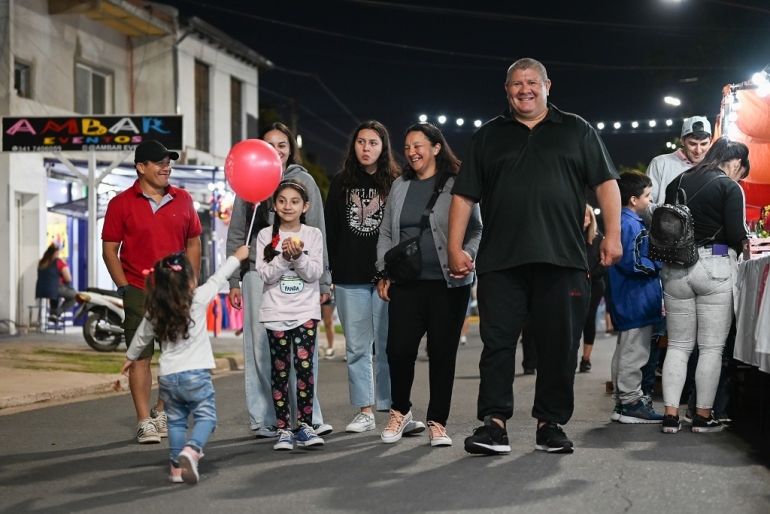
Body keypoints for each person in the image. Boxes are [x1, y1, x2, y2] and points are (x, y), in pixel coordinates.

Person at [448, 58, 622, 455]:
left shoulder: (576, 129)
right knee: (497, 345)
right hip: (501, 262)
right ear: (506, 90)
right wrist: (455, 247)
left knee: (560, 345)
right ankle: (493, 424)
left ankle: (551, 423)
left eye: (531, 82)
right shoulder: (488, 136)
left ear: (547, 85)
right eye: (515, 84)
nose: (524, 89)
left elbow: (605, 183)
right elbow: (464, 195)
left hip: (562, 259)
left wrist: (612, 235)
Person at [376, 122, 482, 447]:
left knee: (442, 353)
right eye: (407, 147)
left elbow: (476, 229)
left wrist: (467, 254)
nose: (411, 152)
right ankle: (400, 411)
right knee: (398, 350)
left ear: (436, 148)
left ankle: (438, 421)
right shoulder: (399, 186)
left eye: (418, 145)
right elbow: (384, 233)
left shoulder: (457, 184)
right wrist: (383, 271)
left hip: (449, 285)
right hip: (407, 283)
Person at [225, 122, 332, 438]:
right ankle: (265, 418)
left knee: (303, 351)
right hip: (260, 273)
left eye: (282, 144)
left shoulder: (304, 181)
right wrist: (234, 279)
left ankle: (309, 419)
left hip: (302, 273)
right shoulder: (250, 180)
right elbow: (237, 232)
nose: (276, 149)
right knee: (261, 350)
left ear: (290, 148)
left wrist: (324, 281)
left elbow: (318, 233)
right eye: (269, 144)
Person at [121, 245, 250, 484]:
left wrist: (130, 357)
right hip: (196, 375)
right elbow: (219, 276)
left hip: (168, 377)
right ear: (190, 281)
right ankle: (192, 451)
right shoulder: (198, 298)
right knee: (206, 418)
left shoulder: (155, 309)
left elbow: (141, 335)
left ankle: (176, 469)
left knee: (177, 422)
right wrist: (238, 256)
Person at [103, 140, 202, 444]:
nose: (166, 167)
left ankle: (161, 410)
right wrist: (124, 287)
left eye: (168, 162)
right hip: (137, 289)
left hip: (173, 291)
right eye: (159, 163)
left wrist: (191, 280)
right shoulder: (121, 203)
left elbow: (194, 242)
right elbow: (110, 249)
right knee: (141, 357)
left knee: (173, 357)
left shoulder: (183, 199)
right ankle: (144, 420)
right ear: (141, 167)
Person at [660, 137, 749, 434]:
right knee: (710, 347)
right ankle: (702, 416)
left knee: (678, 345)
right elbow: (737, 234)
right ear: (736, 161)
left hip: (675, 268)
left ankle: (670, 416)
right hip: (714, 264)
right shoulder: (728, 186)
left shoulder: (677, 181)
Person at [324, 120, 400, 433]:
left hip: (386, 279)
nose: (366, 148)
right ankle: (365, 410)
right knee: (356, 348)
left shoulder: (397, 182)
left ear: (383, 148)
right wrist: (328, 273)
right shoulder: (340, 182)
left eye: (373, 142)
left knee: (388, 347)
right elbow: (330, 232)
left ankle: (395, 409)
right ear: (353, 146)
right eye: (361, 142)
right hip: (349, 278)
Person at [255, 180, 326, 450]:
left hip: (305, 312)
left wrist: (298, 257)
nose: (288, 206)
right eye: (282, 200)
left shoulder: (313, 234)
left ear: (305, 206)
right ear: (274, 205)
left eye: (295, 201)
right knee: (281, 370)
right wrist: (284, 257)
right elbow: (266, 275)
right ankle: (284, 429)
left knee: (305, 369)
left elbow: (313, 274)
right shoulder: (265, 236)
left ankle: (305, 427)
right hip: (275, 313)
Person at [606, 172, 664, 424]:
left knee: (626, 349)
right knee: (635, 351)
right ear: (633, 199)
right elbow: (635, 262)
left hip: (628, 297)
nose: (650, 201)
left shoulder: (621, 222)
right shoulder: (631, 224)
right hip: (635, 298)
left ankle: (623, 401)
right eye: (647, 196)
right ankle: (630, 403)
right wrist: (660, 264)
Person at [648, 116, 713, 206]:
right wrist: (667, 213)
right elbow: (645, 204)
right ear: (682, 141)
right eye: (693, 144)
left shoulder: (713, 168)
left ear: (711, 141)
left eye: (703, 144)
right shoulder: (660, 163)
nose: (698, 150)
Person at [579, 204, 606, 372]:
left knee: (589, 319)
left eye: (587, 216)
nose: (584, 219)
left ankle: (586, 358)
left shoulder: (598, 237)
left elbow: (603, 263)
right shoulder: (570, 236)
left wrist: (590, 275)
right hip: (574, 283)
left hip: (594, 283)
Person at [35, 244, 77, 323]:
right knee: (76, 296)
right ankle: (56, 313)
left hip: (41, 290)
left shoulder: (41, 262)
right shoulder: (59, 262)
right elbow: (68, 278)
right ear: (56, 253)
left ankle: (53, 314)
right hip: (54, 289)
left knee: (55, 294)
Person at [321, 288, 336, 359]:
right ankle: (315, 346)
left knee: (328, 322)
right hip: (313, 291)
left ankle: (330, 348)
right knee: (313, 322)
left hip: (328, 292)